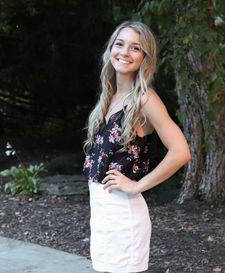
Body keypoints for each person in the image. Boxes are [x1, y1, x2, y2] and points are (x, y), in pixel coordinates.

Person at [83, 21, 191, 273]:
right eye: (120, 44)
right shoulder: (109, 96)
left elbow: (181, 151)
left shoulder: (145, 99)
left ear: (145, 58)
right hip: (102, 215)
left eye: (135, 48)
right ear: (111, 48)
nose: (124, 52)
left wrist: (138, 185)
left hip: (124, 216)